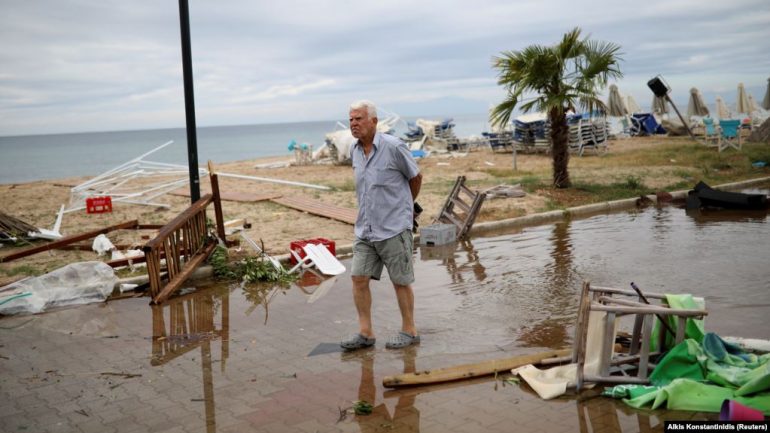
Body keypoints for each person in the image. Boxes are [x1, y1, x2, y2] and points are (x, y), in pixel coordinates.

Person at [341, 100, 423, 351]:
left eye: (358, 119)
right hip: (365, 229)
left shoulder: (394, 147)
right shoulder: (355, 150)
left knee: (400, 281)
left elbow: (416, 177)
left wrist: (405, 208)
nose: (353, 124)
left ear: (374, 121)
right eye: (351, 119)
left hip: (394, 228)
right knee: (358, 278)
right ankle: (365, 333)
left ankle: (409, 330)